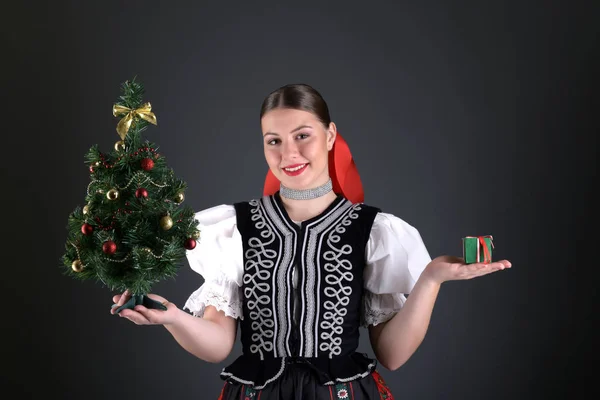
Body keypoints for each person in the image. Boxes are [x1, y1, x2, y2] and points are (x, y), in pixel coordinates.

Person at [111, 83, 512, 399]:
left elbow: (392, 354)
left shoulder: (374, 231)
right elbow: (218, 346)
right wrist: (173, 318)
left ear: (330, 134)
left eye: (302, 135)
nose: (289, 153)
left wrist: (430, 281)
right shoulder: (234, 228)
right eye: (274, 140)